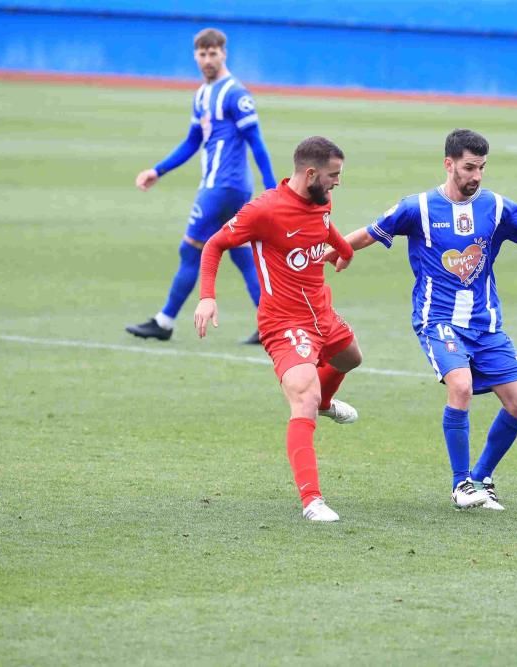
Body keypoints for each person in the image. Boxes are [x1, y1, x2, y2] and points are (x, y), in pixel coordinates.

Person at [327, 129, 517, 510]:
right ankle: (461, 486)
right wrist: (335, 250)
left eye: (482, 168)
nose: (476, 176)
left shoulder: (495, 207)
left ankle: (481, 477)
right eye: (469, 167)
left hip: (485, 324)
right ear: (449, 164)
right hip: (437, 318)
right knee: (460, 385)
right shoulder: (419, 207)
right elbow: (372, 232)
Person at [194, 136, 361, 522]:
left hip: (322, 312)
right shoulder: (264, 211)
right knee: (303, 396)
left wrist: (345, 249)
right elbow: (214, 245)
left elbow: (323, 226)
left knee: (350, 358)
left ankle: (324, 402)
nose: (338, 182)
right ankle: (312, 501)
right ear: (311, 173)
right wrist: (207, 296)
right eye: (334, 175)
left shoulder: (321, 199)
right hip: (284, 323)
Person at [127, 27, 276, 344]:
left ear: (224, 53)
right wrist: (158, 170)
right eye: (202, 54)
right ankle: (271, 323)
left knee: (189, 249)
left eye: (213, 53)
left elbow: (257, 144)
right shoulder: (202, 94)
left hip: (223, 187)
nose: (207, 59)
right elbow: (193, 140)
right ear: (195, 56)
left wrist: (274, 188)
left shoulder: (236, 94)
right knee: (240, 254)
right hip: (226, 188)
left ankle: (164, 322)